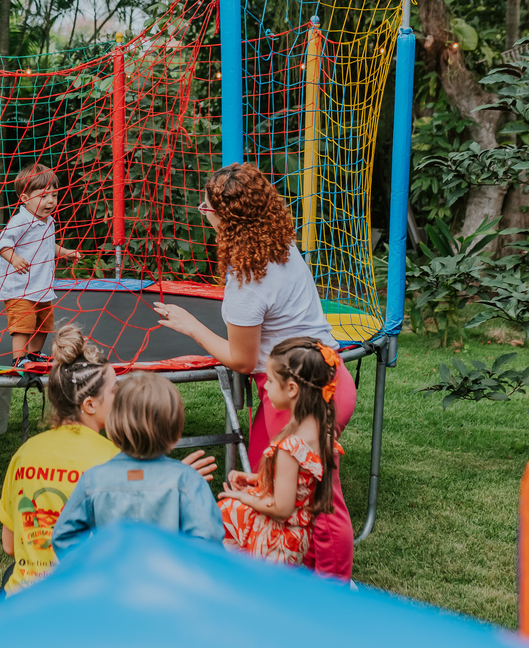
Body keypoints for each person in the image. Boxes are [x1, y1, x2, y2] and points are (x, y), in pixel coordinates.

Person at [153, 162, 357, 581]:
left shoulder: (248, 280)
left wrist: (192, 326)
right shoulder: (280, 245)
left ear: (226, 218)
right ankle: (291, 573)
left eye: (206, 208)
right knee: (295, 488)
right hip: (329, 375)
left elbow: (243, 360)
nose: (202, 213)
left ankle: (333, 588)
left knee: (320, 497)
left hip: (298, 393)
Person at [0, 324, 216, 604]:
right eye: (114, 391)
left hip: (25, 596)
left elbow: (9, 546)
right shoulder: (113, 458)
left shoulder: (24, 452)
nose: (120, 398)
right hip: (87, 598)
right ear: (90, 405)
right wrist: (172, 480)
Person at [51, 372, 225, 558]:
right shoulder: (188, 480)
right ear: (175, 431)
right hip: (168, 584)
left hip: (113, 583)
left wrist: (94, 566)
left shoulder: (92, 481)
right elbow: (209, 538)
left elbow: (64, 536)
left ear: (113, 425)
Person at [216, 337, 340, 565]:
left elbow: (281, 508)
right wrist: (257, 480)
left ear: (291, 388)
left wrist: (242, 496)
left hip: (275, 543)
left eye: (270, 381)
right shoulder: (321, 429)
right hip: (299, 537)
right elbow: (299, 485)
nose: (266, 386)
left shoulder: (289, 447)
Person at [0, 163, 81, 367]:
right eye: (43, 196)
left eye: (54, 196)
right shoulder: (20, 221)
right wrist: (14, 259)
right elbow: (1, 244)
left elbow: (49, 244)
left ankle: (34, 355)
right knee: (23, 325)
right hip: (20, 288)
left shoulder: (47, 220)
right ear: (25, 199)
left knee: (44, 323)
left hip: (41, 286)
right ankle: (19, 358)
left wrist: (65, 253)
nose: (50, 201)